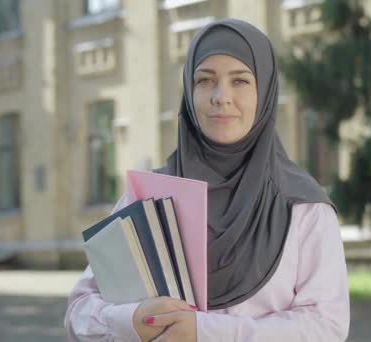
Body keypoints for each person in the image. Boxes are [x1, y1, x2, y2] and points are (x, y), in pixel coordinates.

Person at [64, 18, 350, 342]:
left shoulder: (302, 206)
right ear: (188, 90)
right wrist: (131, 321)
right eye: (205, 80)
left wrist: (204, 332)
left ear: (265, 92)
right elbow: (79, 313)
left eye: (240, 81)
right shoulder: (147, 197)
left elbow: (326, 327)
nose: (220, 96)